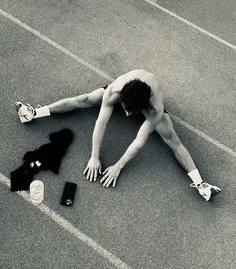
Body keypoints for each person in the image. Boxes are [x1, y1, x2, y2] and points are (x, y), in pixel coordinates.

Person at [15, 69, 221, 200]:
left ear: (142, 108)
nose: (127, 114)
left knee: (172, 139)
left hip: (145, 99)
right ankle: (34, 113)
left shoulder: (154, 110)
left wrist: (118, 166)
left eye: (132, 112)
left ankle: (201, 183)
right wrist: (94, 156)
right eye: (124, 108)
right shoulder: (115, 91)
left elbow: (138, 143)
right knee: (85, 99)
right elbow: (101, 122)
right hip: (129, 90)